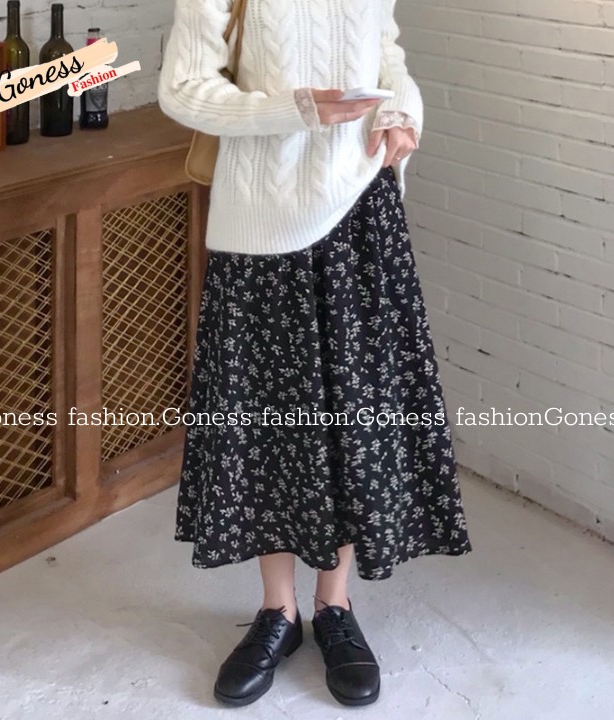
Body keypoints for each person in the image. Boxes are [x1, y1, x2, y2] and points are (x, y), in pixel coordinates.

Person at [157, 0, 473, 708]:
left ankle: (335, 604)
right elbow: (183, 90)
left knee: (355, 419)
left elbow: (388, 56)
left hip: (361, 211)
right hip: (263, 223)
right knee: (267, 423)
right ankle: (278, 612)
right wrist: (297, 109)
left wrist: (403, 114)